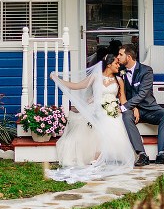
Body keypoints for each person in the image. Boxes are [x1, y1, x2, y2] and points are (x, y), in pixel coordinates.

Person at [47, 54, 135, 183]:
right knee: (95, 123)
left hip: (112, 111)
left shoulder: (119, 80)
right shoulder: (95, 77)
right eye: (116, 63)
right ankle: (96, 158)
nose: (118, 65)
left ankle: (102, 157)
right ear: (109, 64)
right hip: (96, 109)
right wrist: (57, 79)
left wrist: (129, 109)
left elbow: (123, 99)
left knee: (110, 123)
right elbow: (77, 86)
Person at [117, 44, 164, 166]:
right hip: (134, 110)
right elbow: (122, 93)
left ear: (128, 57)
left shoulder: (146, 71)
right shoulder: (120, 71)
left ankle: (161, 154)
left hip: (149, 109)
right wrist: (133, 107)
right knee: (126, 116)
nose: (118, 57)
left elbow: (143, 94)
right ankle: (142, 155)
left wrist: (126, 106)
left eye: (120, 54)